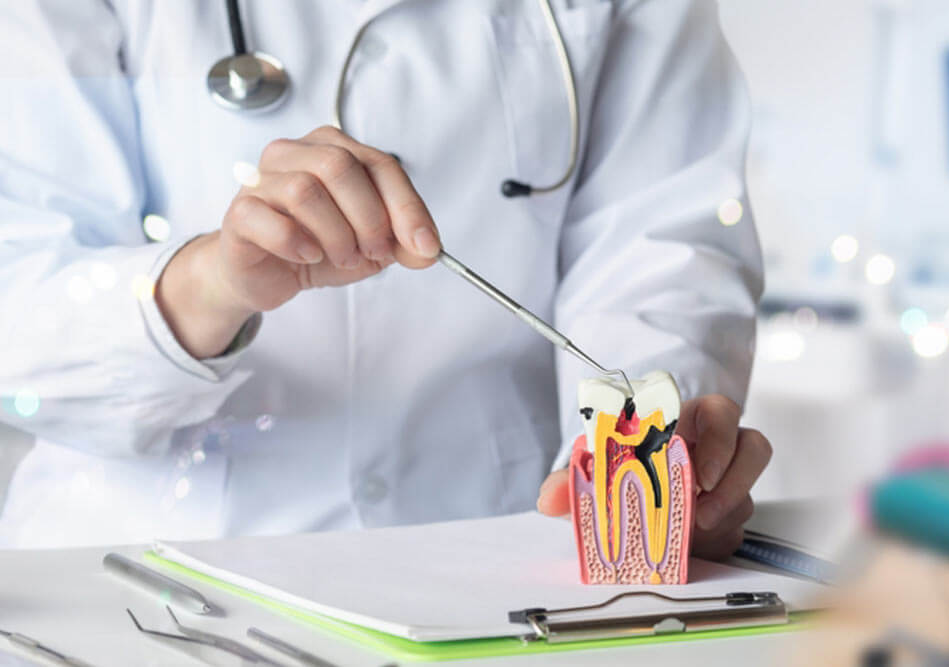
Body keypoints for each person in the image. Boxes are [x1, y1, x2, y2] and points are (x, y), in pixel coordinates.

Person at [0, 0, 770, 556]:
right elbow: (17, 312)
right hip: (149, 571)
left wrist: (658, 466)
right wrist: (212, 284)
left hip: (494, 555)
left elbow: (660, 253)